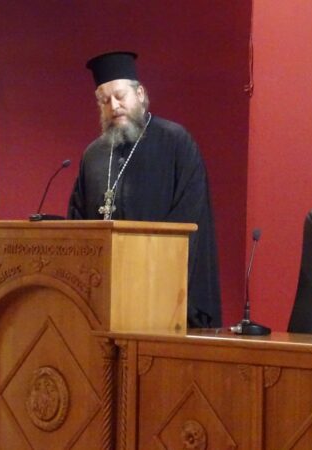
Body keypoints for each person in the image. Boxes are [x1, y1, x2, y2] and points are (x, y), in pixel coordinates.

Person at [67, 51, 221, 328]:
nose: (114, 106)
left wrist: (149, 272)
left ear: (140, 94)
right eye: (105, 101)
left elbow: (190, 217)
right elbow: (77, 222)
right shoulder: (94, 155)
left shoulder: (176, 142)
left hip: (161, 294)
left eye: (120, 96)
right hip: (103, 297)